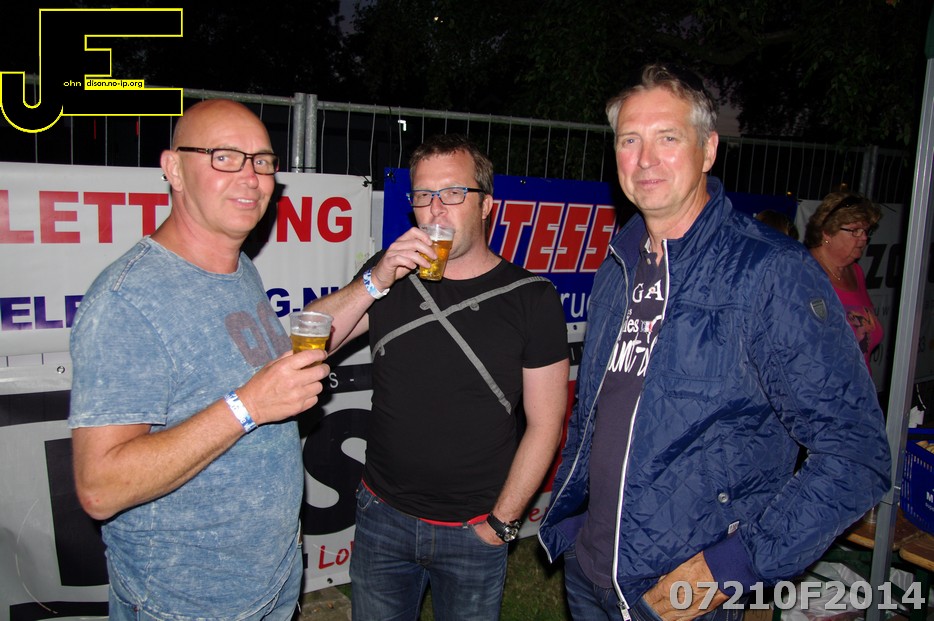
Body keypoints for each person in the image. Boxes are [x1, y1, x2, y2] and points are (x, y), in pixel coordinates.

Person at [537, 63, 891, 621]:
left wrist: (729, 567)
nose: (644, 158)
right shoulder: (617, 267)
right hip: (590, 571)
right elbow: (595, 416)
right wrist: (574, 522)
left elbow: (856, 454)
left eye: (667, 138)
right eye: (629, 140)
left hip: (681, 591)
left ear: (708, 150)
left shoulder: (770, 272)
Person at [69, 99, 330, 620]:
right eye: (224, 157)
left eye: (262, 161)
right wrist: (249, 405)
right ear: (173, 169)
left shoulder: (238, 268)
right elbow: (99, 488)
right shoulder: (127, 301)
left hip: (271, 583)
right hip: (186, 604)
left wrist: (376, 281)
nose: (251, 177)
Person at [304, 133, 570, 620]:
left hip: (475, 528)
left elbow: (546, 424)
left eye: (453, 192)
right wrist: (376, 280)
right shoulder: (389, 276)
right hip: (382, 515)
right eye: (424, 194)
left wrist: (502, 523)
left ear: (486, 204)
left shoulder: (532, 299)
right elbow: (311, 337)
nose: (435, 209)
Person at [804, 192, 884, 372]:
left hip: (859, 386)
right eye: (855, 230)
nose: (864, 238)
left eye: (866, 231)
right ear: (827, 232)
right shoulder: (806, 272)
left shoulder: (856, 272)